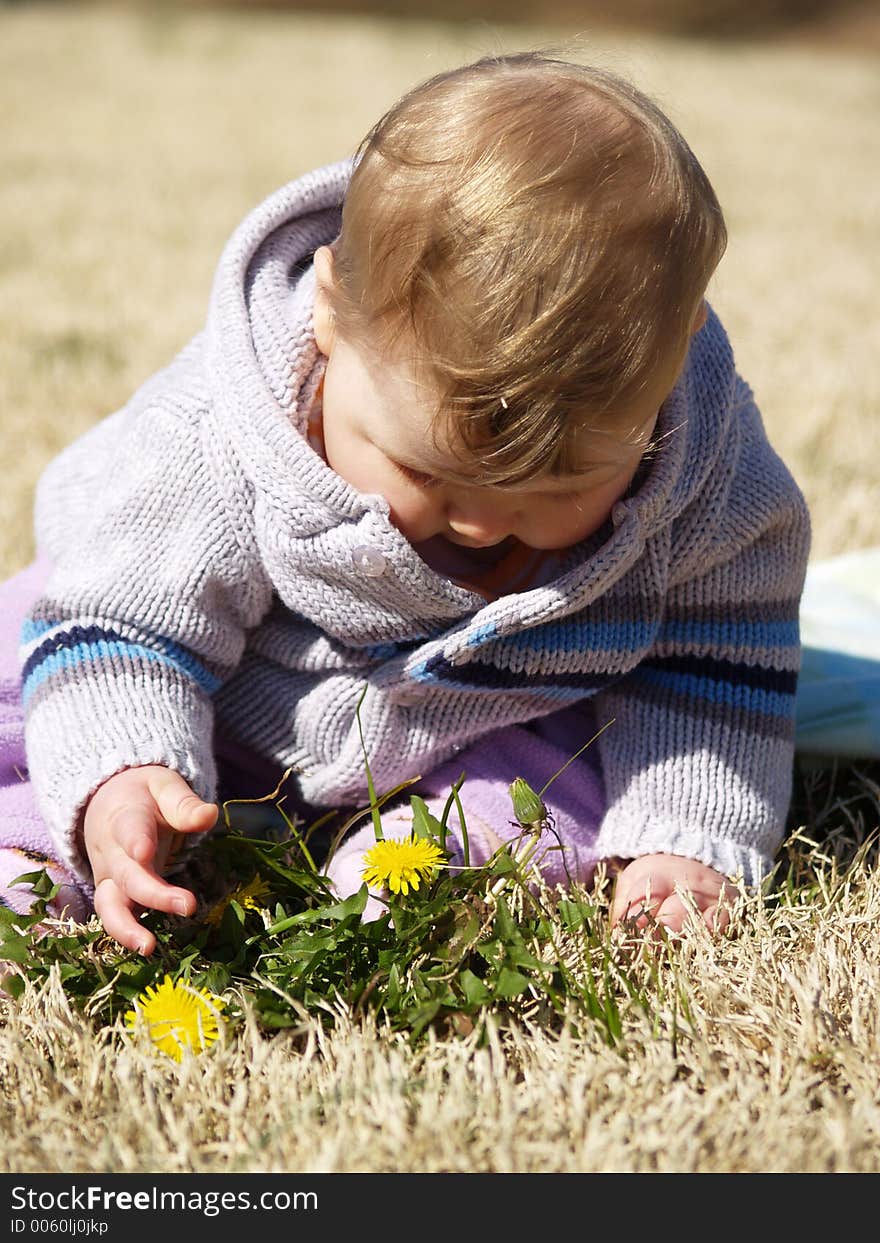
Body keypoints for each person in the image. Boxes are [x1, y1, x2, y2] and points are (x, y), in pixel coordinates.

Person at [0, 51, 810, 954]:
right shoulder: (215, 436)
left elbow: (715, 662)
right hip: (224, 693)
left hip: (486, 723)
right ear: (331, 315)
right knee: (45, 690)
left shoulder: (712, 480)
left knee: (558, 785)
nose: (480, 523)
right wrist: (125, 766)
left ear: (672, 357)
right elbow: (127, 623)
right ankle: (54, 853)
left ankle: (417, 872)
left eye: (562, 487)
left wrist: (683, 830)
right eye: (426, 473)